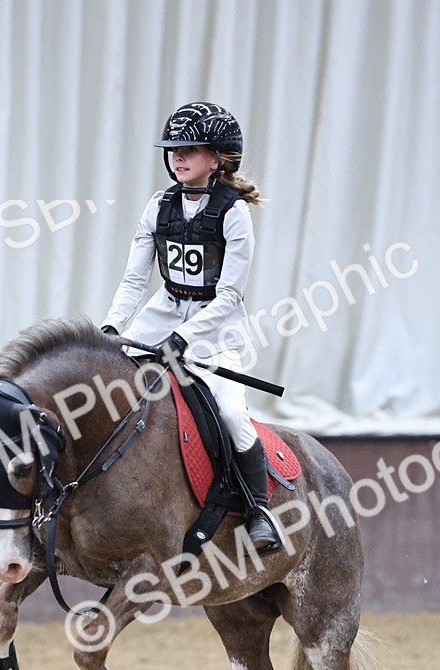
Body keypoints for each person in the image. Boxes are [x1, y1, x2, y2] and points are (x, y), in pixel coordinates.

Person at [100, 101, 281, 552]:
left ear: (219, 158)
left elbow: (229, 297)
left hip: (214, 330)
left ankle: (258, 511)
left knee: (233, 417)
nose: (178, 157)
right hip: (160, 315)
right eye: (173, 150)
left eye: (191, 149)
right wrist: (110, 328)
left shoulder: (234, 214)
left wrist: (184, 339)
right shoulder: (157, 206)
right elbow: (135, 279)